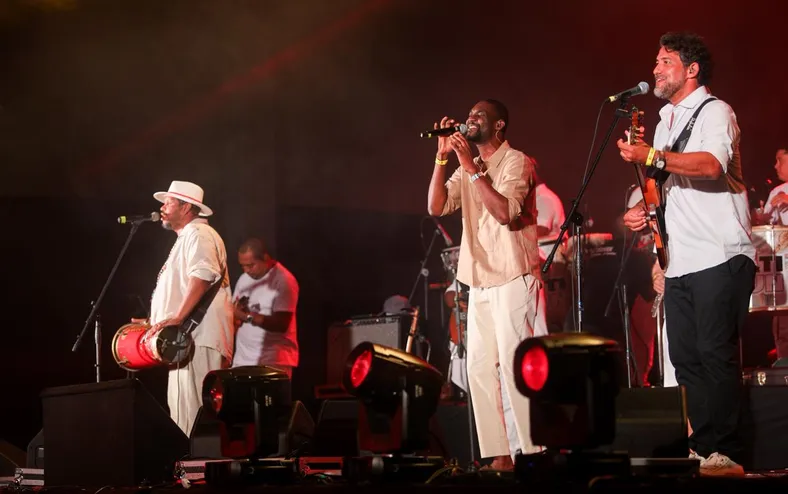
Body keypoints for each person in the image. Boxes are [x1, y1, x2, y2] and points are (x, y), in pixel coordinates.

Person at [617, 32, 756, 477]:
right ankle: (703, 448)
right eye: (655, 61)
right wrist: (644, 208)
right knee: (686, 358)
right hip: (680, 260)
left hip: (720, 252)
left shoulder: (717, 111)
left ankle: (729, 453)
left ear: (691, 69)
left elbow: (711, 165)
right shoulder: (664, 122)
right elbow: (664, 184)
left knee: (717, 354)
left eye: (665, 61)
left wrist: (653, 154)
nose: (655, 69)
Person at [427, 99, 543, 471]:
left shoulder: (516, 161)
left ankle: (533, 453)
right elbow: (436, 206)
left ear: (498, 126)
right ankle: (500, 455)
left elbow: (505, 212)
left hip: (512, 273)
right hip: (479, 277)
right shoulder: (467, 166)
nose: (469, 119)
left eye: (479, 116)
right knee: (477, 367)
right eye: (469, 114)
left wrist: (467, 167)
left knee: (514, 365)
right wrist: (442, 158)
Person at [148, 180, 235, 436]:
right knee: (184, 417)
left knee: (196, 417)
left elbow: (204, 276)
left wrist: (176, 318)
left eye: (168, 202)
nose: (163, 207)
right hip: (186, 340)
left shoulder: (199, 234)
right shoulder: (188, 237)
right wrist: (156, 319)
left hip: (197, 337)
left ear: (186, 207)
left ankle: (200, 472)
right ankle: (191, 471)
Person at [231, 238, 299, 379]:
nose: (246, 271)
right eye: (242, 266)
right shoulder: (244, 279)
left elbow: (281, 324)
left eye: (251, 265)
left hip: (272, 361)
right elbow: (235, 311)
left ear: (266, 258)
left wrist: (247, 317)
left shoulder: (283, 280)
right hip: (243, 360)